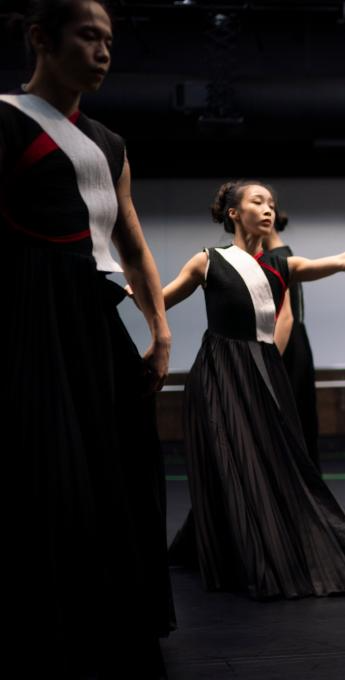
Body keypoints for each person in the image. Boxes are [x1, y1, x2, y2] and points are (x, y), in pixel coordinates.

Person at [1, 0, 172, 674]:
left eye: (108, 40)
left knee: (119, 463)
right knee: (45, 466)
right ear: (41, 39)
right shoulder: (8, 119)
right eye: (87, 36)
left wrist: (159, 331)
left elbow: (132, 243)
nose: (102, 52)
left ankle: (111, 614)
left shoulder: (109, 143)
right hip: (28, 313)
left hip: (95, 320)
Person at [162, 180, 345, 599]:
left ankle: (273, 549)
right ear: (234, 213)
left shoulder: (281, 265)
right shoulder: (208, 261)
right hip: (218, 372)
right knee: (230, 460)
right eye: (258, 202)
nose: (269, 209)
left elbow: (343, 261)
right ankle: (241, 555)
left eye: (272, 203)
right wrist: (131, 291)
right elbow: (161, 300)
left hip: (263, 370)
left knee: (273, 459)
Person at [264, 209, 322, 466]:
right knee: (298, 415)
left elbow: (285, 317)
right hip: (295, 341)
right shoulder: (281, 254)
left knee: (290, 417)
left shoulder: (277, 258)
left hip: (287, 342)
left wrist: (269, 360)